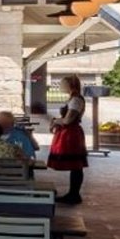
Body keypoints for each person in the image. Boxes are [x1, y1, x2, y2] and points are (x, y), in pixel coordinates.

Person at [48, 74, 89, 204]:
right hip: (70, 132)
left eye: (63, 84)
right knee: (75, 166)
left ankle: (74, 194)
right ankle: (73, 193)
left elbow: (68, 120)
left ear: (70, 85)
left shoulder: (76, 100)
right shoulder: (73, 99)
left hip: (71, 134)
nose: (61, 87)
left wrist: (55, 121)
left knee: (76, 165)